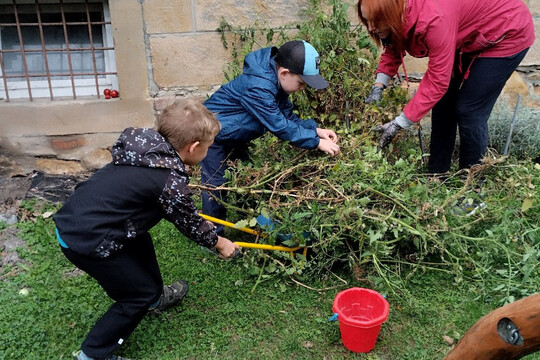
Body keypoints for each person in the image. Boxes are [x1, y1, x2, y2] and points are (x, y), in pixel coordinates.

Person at [53, 99, 239, 360]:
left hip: (86, 220)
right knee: (134, 295)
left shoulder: (146, 151)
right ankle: (94, 354)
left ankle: (154, 298)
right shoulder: (167, 180)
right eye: (208, 147)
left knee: (142, 242)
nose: (208, 152)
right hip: (87, 239)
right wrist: (219, 243)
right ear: (193, 147)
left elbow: (173, 206)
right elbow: (188, 222)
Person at [359, 0, 535, 173]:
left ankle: (472, 190)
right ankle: (437, 174)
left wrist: (398, 124)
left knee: (469, 109)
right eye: (367, 20)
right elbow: (394, 43)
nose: (371, 28)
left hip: (506, 30)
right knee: (443, 102)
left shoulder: (434, 19)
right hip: (469, 35)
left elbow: (437, 81)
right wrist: (378, 86)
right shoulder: (401, 12)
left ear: (391, 14)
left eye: (376, 21)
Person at [201, 40, 340, 233]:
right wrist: (315, 142)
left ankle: (251, 218)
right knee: (215, 185)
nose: (303, 88)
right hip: (212, 136)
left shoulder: (274, 82)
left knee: (244, 176)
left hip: (234, 134)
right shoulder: (259, 87)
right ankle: (212, 237)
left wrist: (315, 130)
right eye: (301, 83)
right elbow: (279, 125)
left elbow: (286, 116)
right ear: (284, 73)